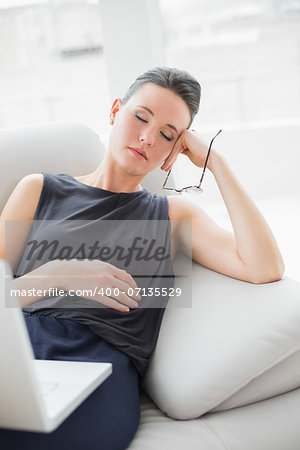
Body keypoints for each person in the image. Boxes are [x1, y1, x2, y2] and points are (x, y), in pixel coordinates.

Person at [0, 67, 285, 449]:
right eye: (140, 117)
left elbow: (264, 267)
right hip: (21, 345)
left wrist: (217, 163)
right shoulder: (39, 189)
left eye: (168, 135)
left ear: (176, 150)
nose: (149, 137)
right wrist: (56, 274)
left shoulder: (173, 216)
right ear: (116, 110)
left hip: (102, 366)